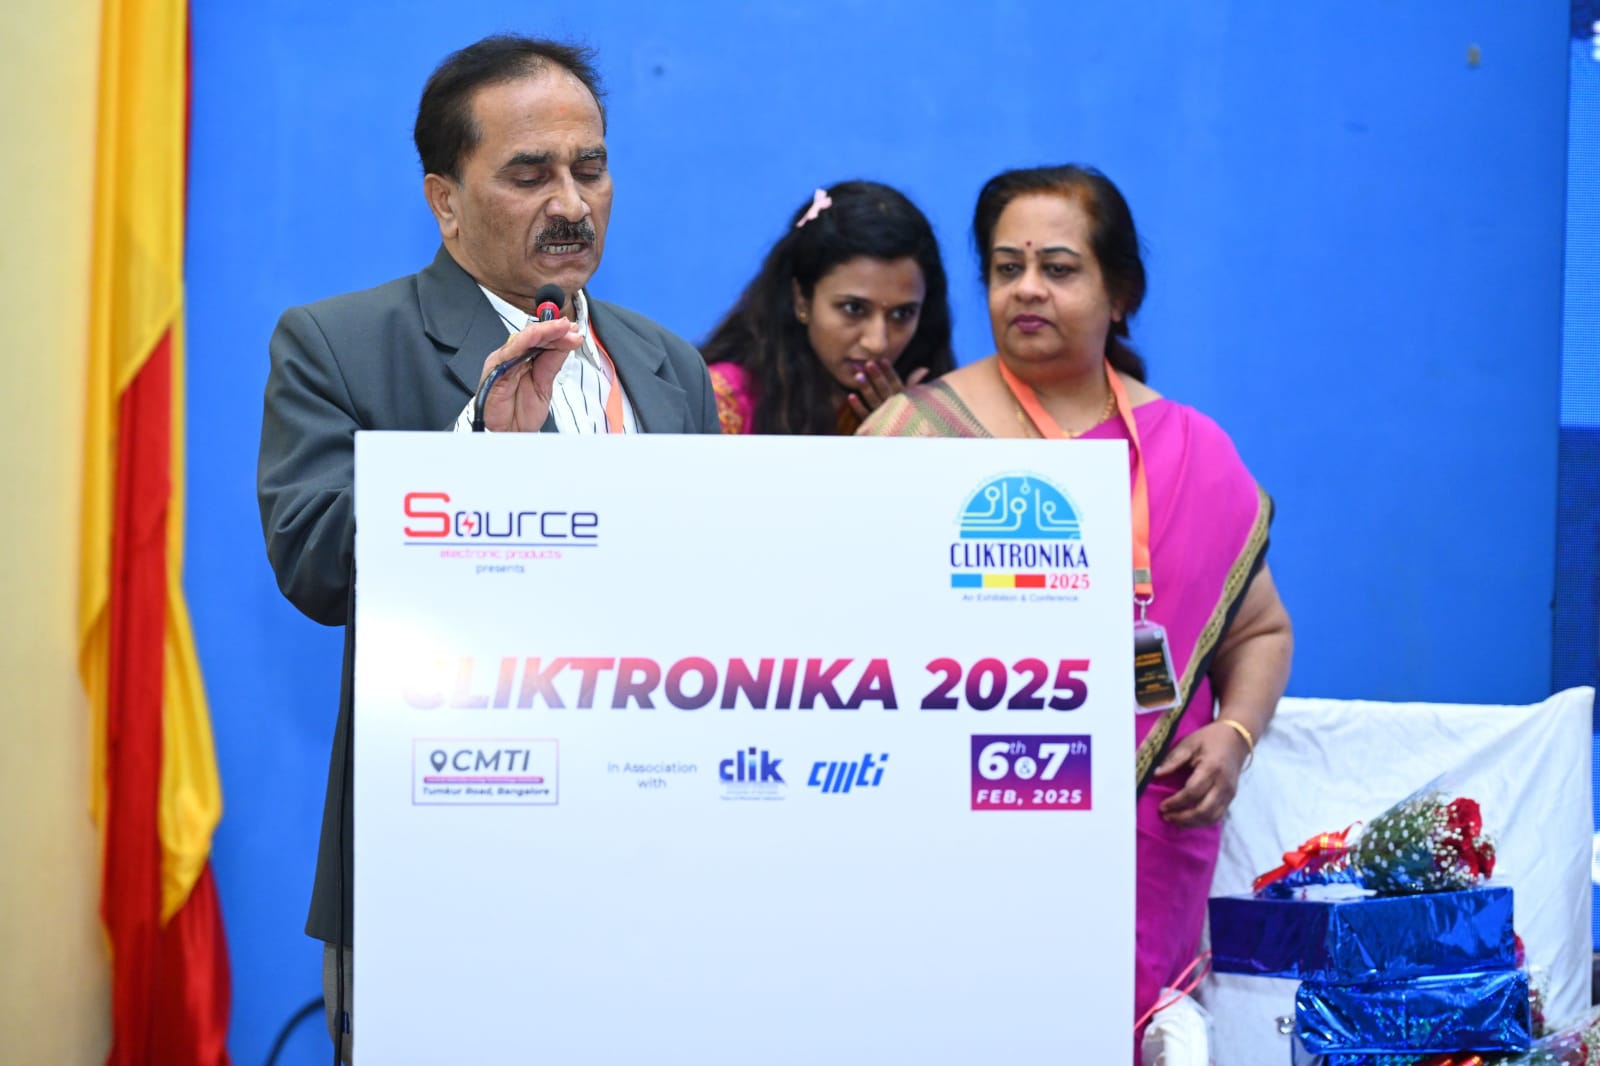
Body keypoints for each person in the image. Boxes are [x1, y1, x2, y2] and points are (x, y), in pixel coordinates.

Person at [255, 34, 719, 1061]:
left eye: (589, 168)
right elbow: (314, 561)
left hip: (650, 863)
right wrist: (474, 466)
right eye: (529, 174)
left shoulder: (666, 364)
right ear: (445, 200)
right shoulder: (339, 344)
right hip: (444, 864)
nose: (572, 203)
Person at [859, 164, 1294, 1058]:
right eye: (1005, 267)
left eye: (1058, 268)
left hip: (1146, 841)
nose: (1027, 288)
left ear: (1120, 293)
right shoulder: (913, 434)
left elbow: (1260, 630)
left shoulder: (1192, 449)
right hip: (954, 832)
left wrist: (1236, 734)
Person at [700, 180, 956, 434]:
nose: (877, 343)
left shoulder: (935, 412)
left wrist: (912, 442)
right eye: (854, 309)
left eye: (902, 314)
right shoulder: (719, 405)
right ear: (801, 298)